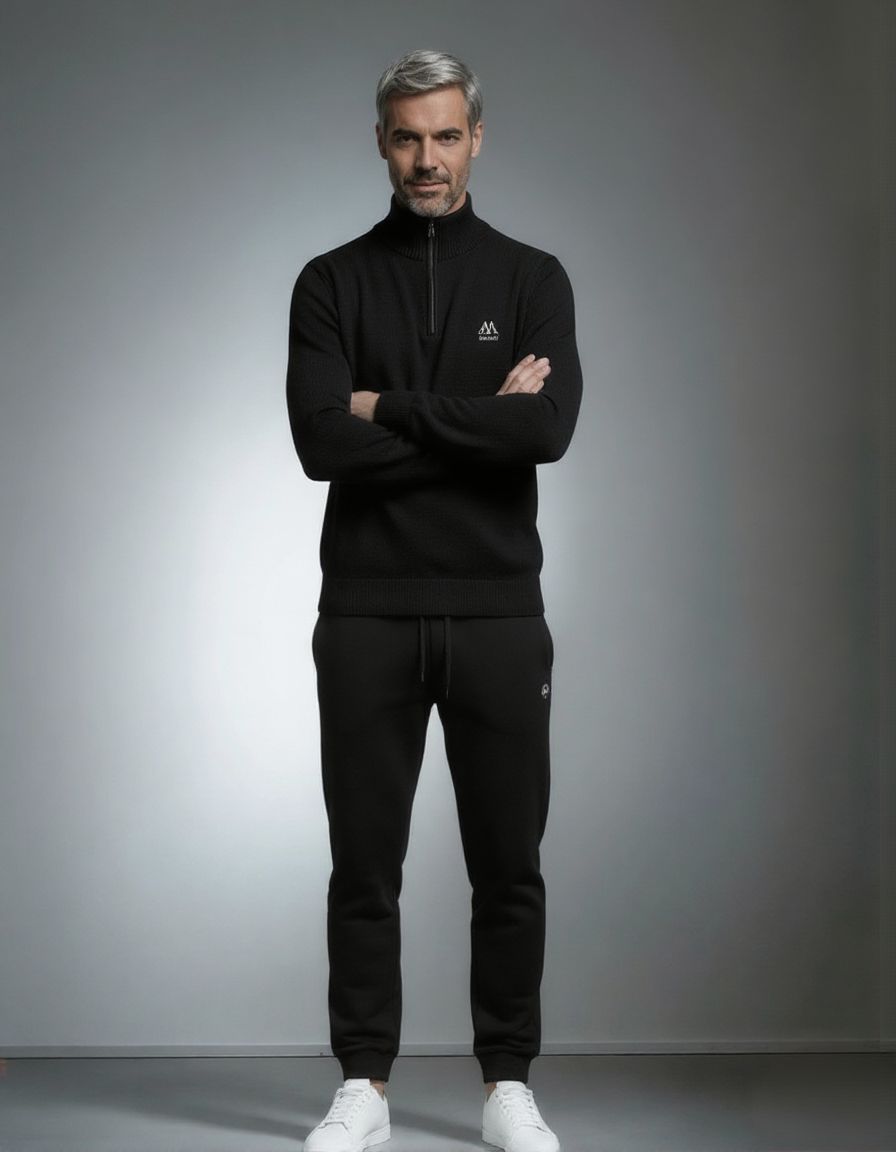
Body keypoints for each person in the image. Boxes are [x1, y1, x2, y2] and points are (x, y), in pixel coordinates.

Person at [286, 48, 582, 1152]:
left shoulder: (532, 278)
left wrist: (389, 408)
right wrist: (474, 421)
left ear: (476, 139)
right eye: (407, 136)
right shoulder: (329, 283)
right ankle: (363, 1086)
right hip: (365, 611)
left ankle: (507, 1085)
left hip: (500, 613)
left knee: (509, 865)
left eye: (446, 135)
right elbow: (321, 445)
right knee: (364, 866)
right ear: (380, 141)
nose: (427, 158)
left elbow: (545, 430)